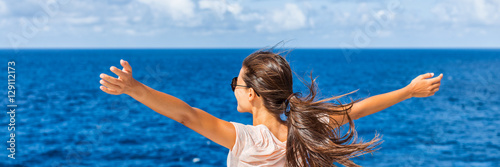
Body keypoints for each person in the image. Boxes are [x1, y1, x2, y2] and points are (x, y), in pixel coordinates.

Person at [99, 49, 443, 167]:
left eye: (237, 82)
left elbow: (186, 114)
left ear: (252, 95)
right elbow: (357, 109)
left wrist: (135, 88)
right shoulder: (305, 127)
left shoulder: (246, 139)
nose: (233, 87)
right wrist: (409, 90)